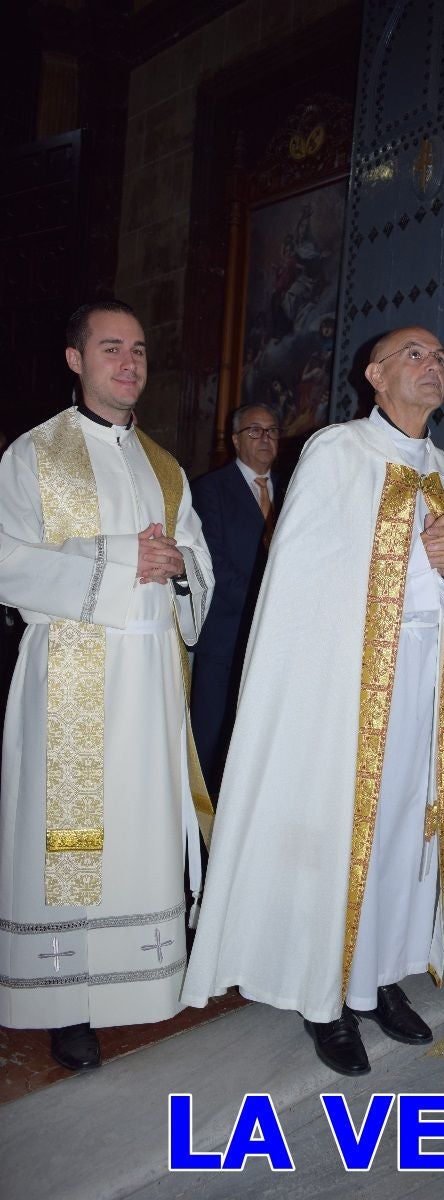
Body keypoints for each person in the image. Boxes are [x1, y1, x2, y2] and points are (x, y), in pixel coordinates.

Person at [182, 325, 444, 1075]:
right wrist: (415, 567)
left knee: (402, 837)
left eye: (442, 356)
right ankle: (324, 997)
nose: (436, 366)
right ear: (374, 374)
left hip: (423, 687)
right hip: (346, 694)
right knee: (340, 836)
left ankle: (376, 977)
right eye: (416, 356)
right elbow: (302, 577)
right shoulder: (336, 454)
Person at [0, 299, 214, 1071]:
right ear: (75, 360)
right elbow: (9, 562)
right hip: (73, 673)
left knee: (139, 828)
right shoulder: (34, 455)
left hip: (151, 673)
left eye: (140, 351)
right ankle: (67, 1002)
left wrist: (181, 566)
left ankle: (143, 983)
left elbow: (197, 556)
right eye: (111, 348)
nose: (129, 364)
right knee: (71, 837)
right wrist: (125, 557)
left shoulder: (165, 465)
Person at [190, 402, 284, 793]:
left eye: (272, 430)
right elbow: (214, 565)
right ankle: (200, 842)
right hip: (226, 640)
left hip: (280, 643)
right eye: (254, 431)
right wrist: (272, 602)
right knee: (212, 744)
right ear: (235, 440)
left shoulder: (296, 491)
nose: (265, 438)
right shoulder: (209, 490)